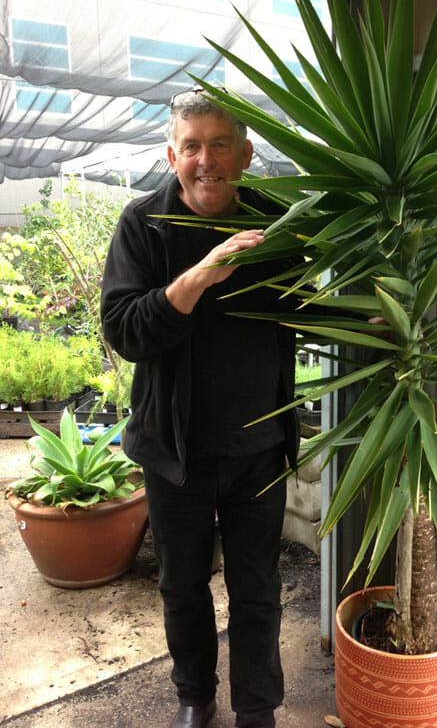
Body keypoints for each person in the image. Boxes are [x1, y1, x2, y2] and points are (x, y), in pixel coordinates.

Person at [100, 87, 301, 728]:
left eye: (220, 145)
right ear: (171, 154)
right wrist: (199, 275)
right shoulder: (143, 223)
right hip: (173, 452)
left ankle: (256, 706)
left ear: (244, 154)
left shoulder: (276, 223)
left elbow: (296, 308)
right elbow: (125, 331)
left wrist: (373, 319)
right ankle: (195, 696)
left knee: (257, 589)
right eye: (192, 147)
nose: (205, 160)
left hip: (259, 449)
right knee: (182, 587)